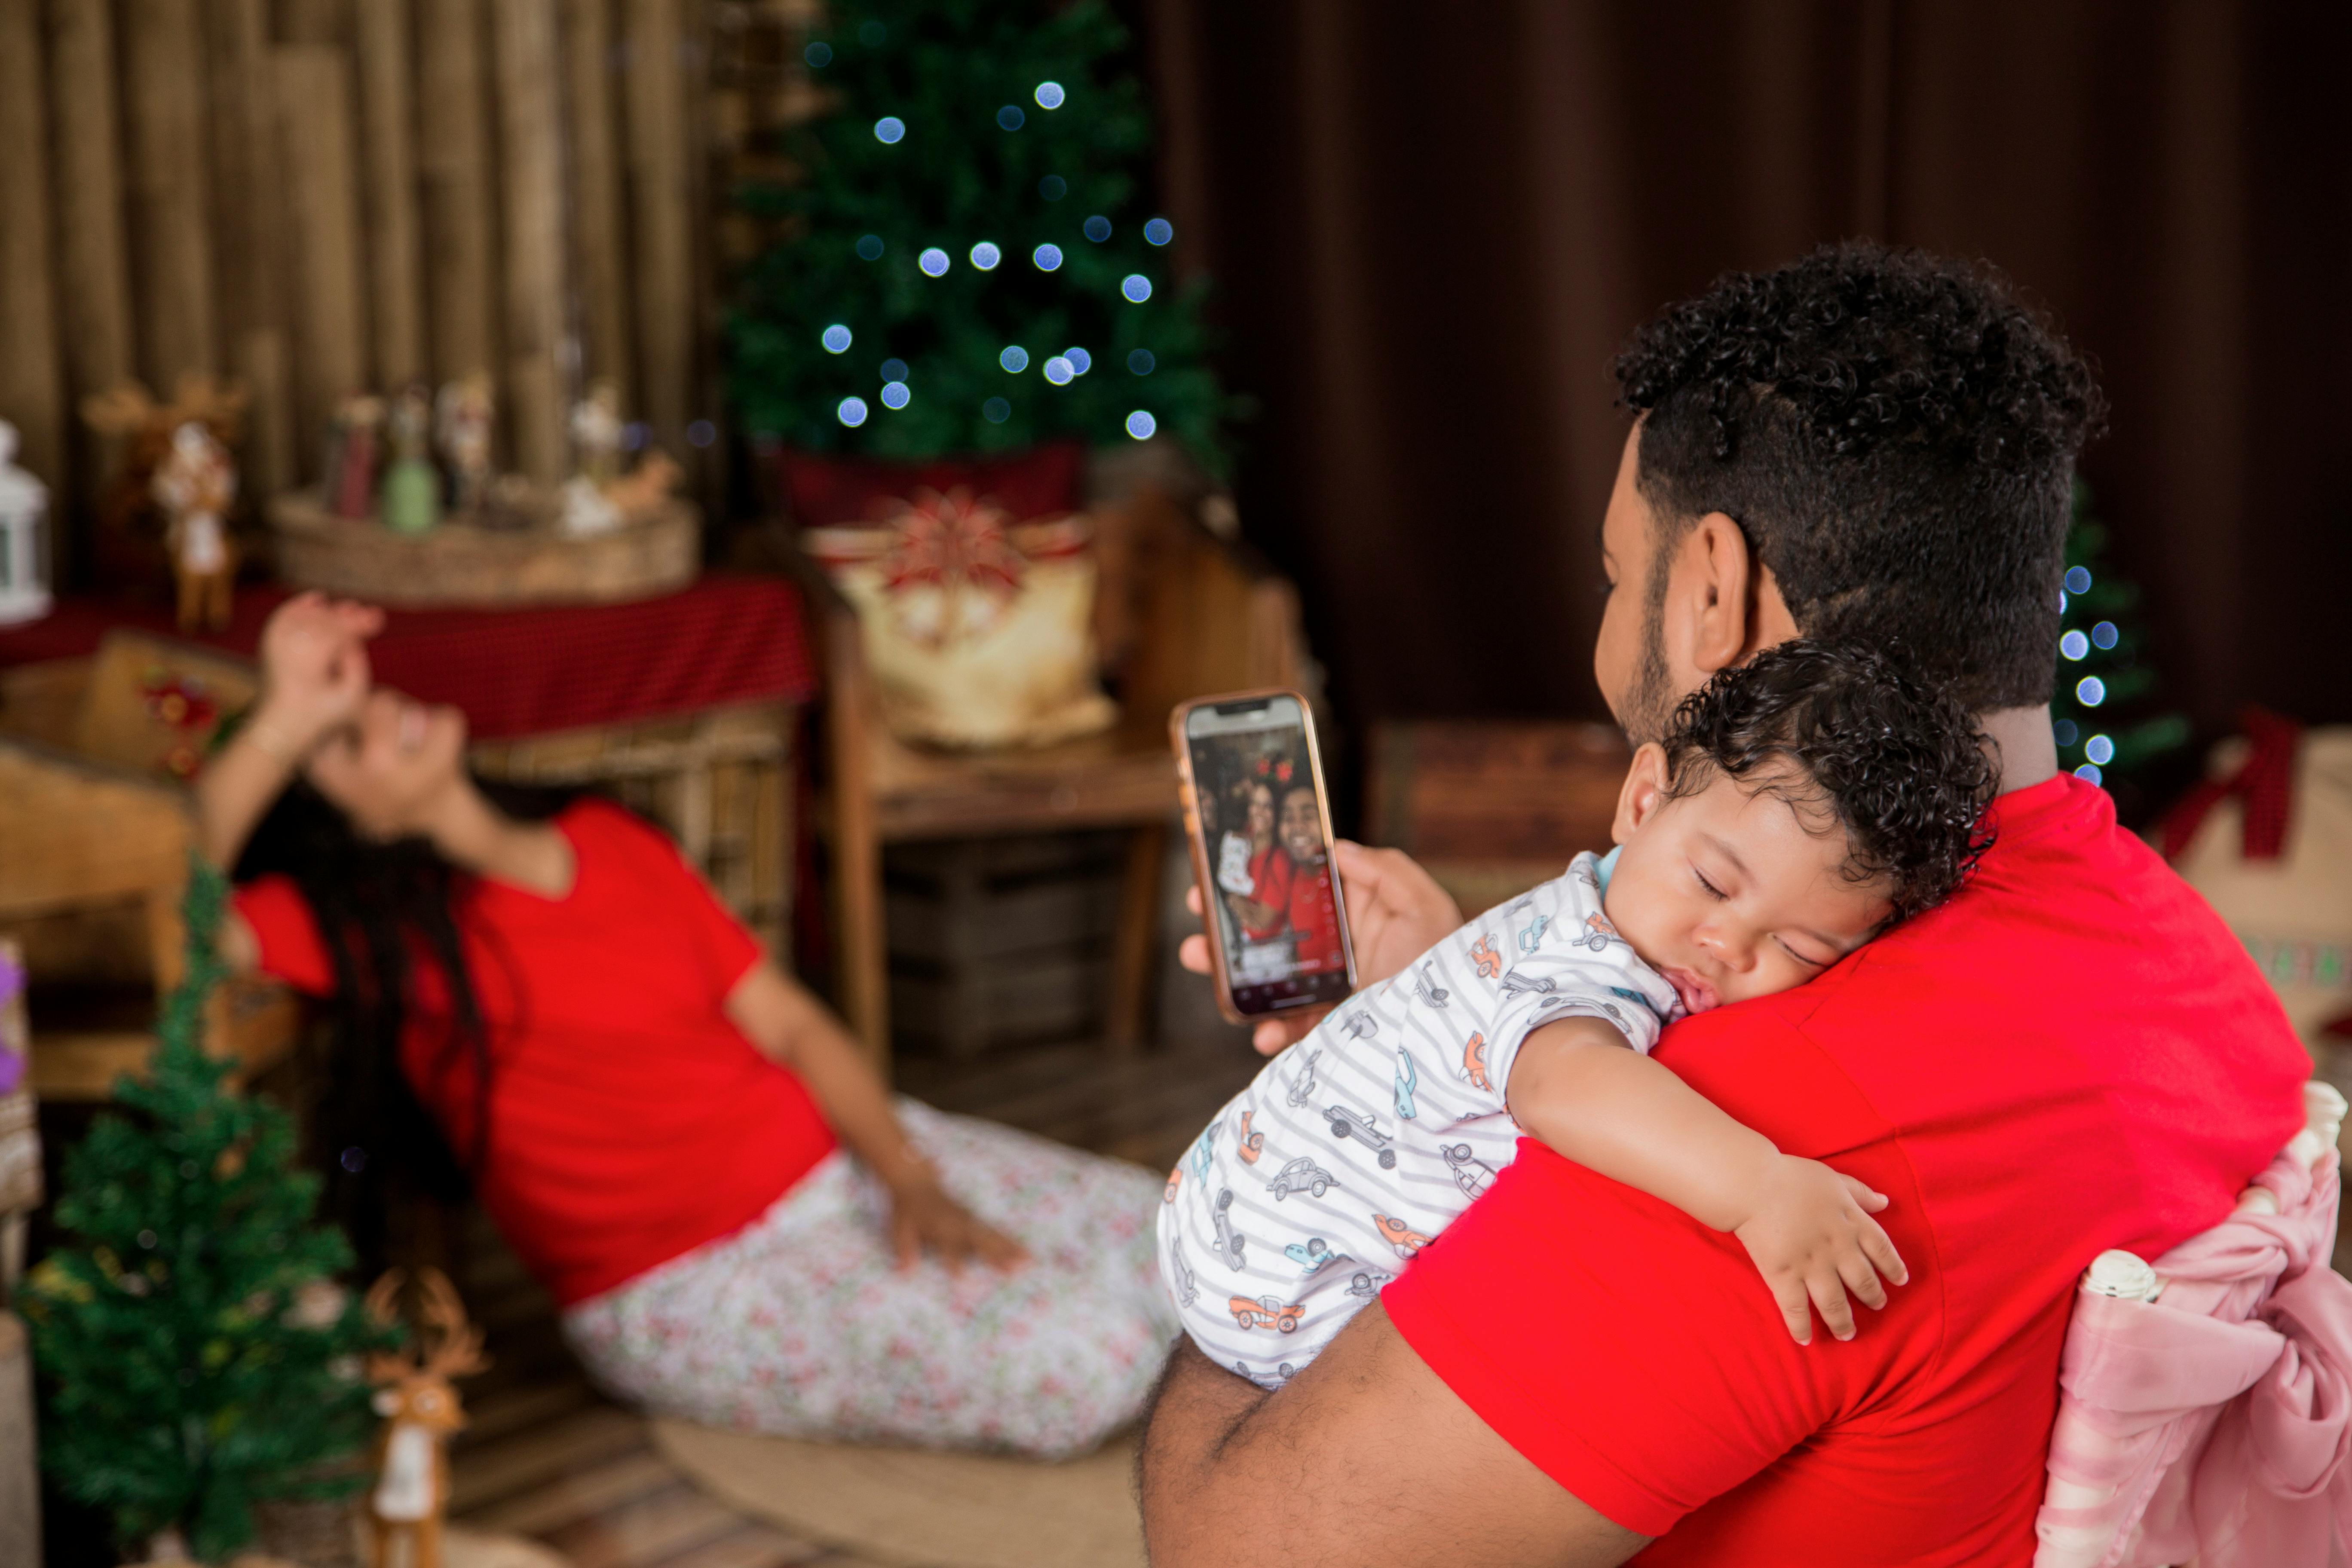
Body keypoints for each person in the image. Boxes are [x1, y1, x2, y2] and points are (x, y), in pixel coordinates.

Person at [1139, 243, 2313, 1564]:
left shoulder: (1748, 1134)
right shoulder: (2196, 973)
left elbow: (1243, 1544)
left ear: (1712, 588)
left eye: (1613, 573)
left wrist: (1303, 1186)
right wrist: (1428, 1023)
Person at [197, 594, 1176, 1460]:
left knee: (1192, 1235)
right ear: (345, 833)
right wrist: (285, 714)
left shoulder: (606, 838)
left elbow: (792, 1024)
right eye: (342, 742)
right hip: (694, 1284)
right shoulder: (383, 940)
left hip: (843, 1165)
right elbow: (173, 913)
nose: (372, 717)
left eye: (357, 704)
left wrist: (909, 1178)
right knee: (1094, 1358)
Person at [1165, 642, 1991, 1389]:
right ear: (1640, 800)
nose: (1725, 944)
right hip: (1286, 1277)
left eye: (1798, 945)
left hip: (1234, 1207)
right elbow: (1566, 1086)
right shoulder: (1590, 966)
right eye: (1709, 882)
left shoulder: (1591, 898)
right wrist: (1757, 1187)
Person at [1271, 782, 1344, 976]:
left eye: (1309, 816)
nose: (1297, 827)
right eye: (1288, 818)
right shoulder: (1290, 876)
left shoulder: (1346, 878)